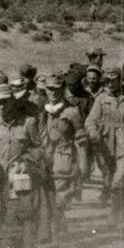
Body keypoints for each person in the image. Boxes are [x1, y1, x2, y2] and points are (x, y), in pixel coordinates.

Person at [0, 82, 48, 248]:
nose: (2, 106)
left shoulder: (28, 123)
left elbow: (39, 149)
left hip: (16, 182)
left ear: (13, 101)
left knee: (11, 223)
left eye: (6, 101)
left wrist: (26, 161)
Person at [86, 67, 124, 220]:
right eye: (107, 81)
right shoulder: (101, 98)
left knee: (119, 178)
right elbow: (91, 119)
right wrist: (93, 132)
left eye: (113, 81)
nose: (110, 84)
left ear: (120, 80)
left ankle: (114, 213)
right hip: (106, 144)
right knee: (113, 178)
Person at [41, 74, 88, 236]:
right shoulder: (40, 110)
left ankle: (56, 229)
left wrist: (84, 164)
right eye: (50, 89)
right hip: (42, 159)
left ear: (62, 89)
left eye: (56, 89)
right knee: (46, 197)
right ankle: (58, 225)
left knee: (59, 198)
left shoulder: (71, 111)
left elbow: (81, 139)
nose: (53, 92)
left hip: (63, 159)